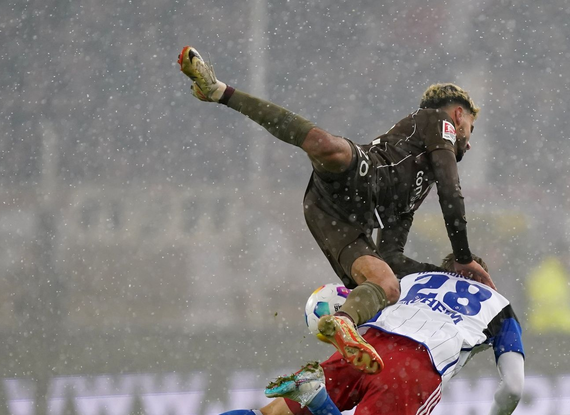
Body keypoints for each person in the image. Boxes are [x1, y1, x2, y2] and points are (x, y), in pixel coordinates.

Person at [178, 47, 496, 374]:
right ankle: (218, 90)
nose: (468, 144)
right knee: (326, 146)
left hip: (334, 218)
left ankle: (343, 323)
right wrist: (462, 255)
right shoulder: (438, 121)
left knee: (387, 284)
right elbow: (451, 191)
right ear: (458, 115)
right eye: (470, 128)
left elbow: (393, 257)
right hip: (355, 176)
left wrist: (447, 277)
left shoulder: (414, 191)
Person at [115, 260, 524, 415]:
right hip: (414, 368)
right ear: (486, 279)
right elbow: (515, 386)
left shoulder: (409, 277)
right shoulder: (501, 308)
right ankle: (320, 401)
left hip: (365, 343)